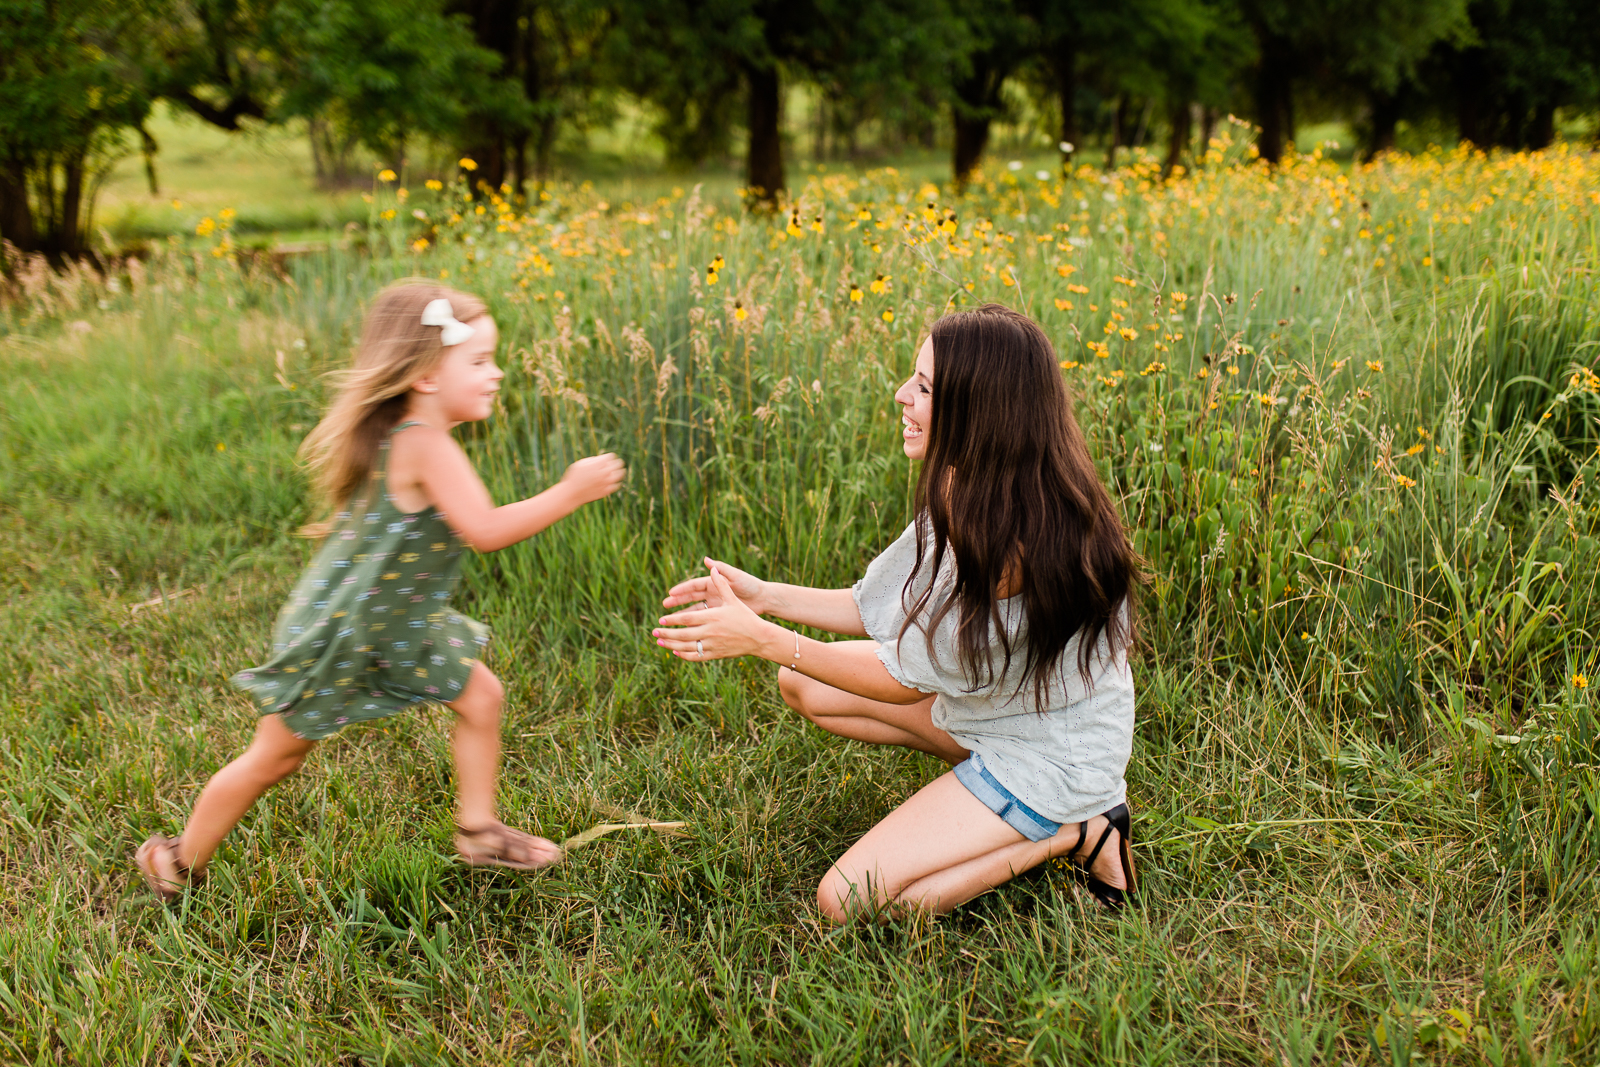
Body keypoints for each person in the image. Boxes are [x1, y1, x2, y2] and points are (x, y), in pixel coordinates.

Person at [136, 281, 626, 901]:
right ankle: (177, 860)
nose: (496, 373)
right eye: (478, 361)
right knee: (277, 757)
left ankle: (478, 831)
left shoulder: (412, 434)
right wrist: (569, 491)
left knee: (481, 697)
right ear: (424, 375)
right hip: (347, 633)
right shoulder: (424, 444)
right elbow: (487, 530)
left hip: (398, 626)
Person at [653, 303, 1140, 920]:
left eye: (925, 387)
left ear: (977, 412)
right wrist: (766, 596)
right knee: (802, 683)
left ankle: (1074, 831)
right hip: (1000, 708)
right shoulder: (969, 482)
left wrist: (761, 637)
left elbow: (894, 677)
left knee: (845, 900)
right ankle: (986, 798)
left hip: (1053, 752)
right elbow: (881, 609)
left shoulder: (1010, 544)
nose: (901, 395)